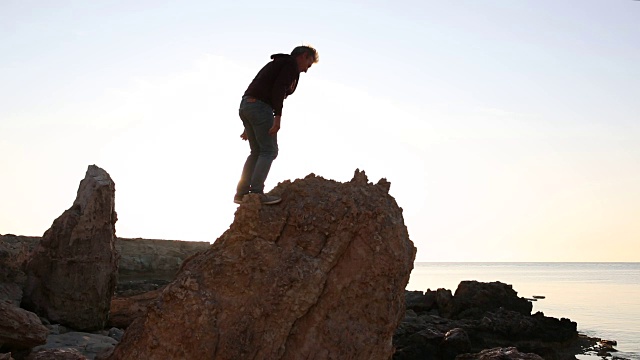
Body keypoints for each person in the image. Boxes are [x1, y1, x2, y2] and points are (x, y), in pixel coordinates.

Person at [234, 45, 319, 205]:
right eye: (308, 64)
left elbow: (260, 86)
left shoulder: (279, 63)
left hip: (247, 105)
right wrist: (277, 117)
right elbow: (278, 89)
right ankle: (256, 192)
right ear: (304, 56)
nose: (306, 70)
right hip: (260, 107)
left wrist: (249, 123)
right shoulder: (290, 65)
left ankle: (241, 193)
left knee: (256, 151)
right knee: (269, 150)